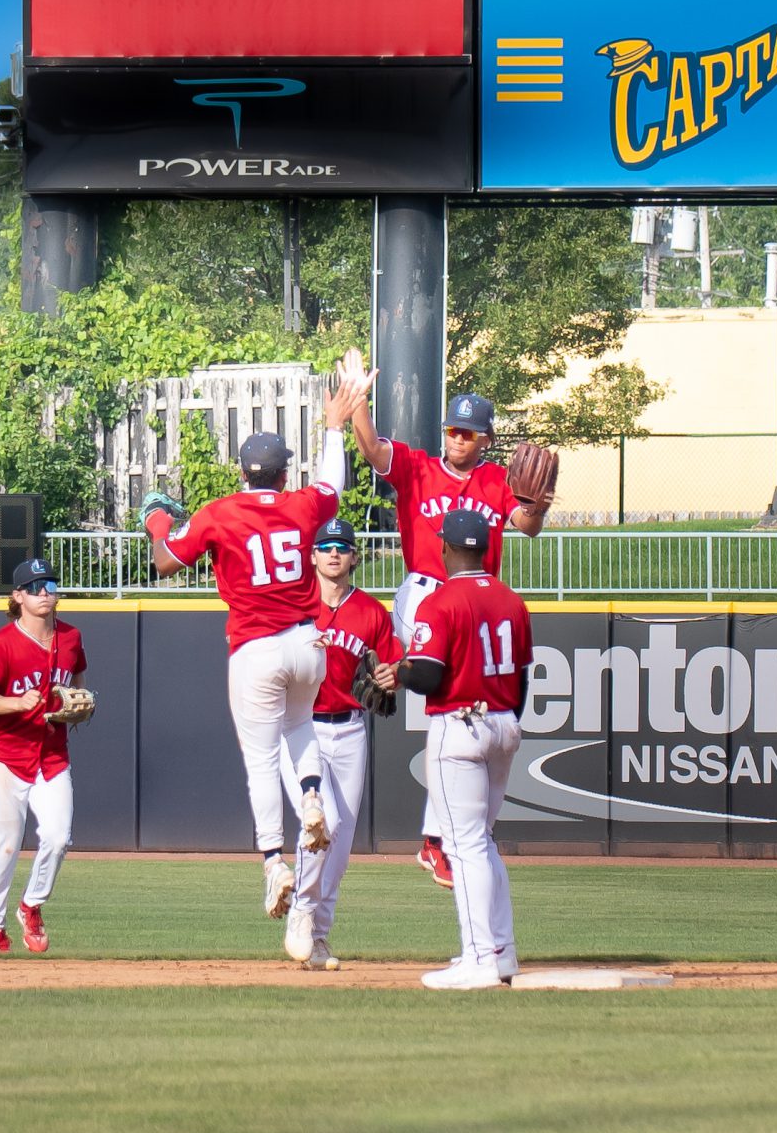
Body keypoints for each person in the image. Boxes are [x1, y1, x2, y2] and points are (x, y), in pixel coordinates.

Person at [143, 367, 366, 923]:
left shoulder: (221, 512)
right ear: (284, 470)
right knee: (299, 731)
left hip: (256, 648)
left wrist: (156, 524)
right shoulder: (301, 507)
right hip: (306, 643)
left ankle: (273, 860)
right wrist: (334, 427)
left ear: (242, 471)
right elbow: (334, 485)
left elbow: (167, 563)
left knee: (261, 761)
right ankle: (312, 797)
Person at [342, 359, 551, 890]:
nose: (456, 440)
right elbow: (371, 449)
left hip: (474, 599)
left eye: (467, 433)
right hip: (426, 594)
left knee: (462, 713)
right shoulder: (418, 468)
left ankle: (443, 835)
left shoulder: (497, 481)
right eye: (451, 430)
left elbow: (526, 528)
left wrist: (537, 503)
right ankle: (395, 667)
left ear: (485, 439)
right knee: (454, 705)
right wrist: (358, 400)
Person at [402, 507, 533, 989]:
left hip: (459, 727)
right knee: (483, 842)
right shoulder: (511, 601)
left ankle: (478, 958)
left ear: (449, 548)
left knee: (464, 847)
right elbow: (520, 684)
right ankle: (501, 952)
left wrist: (399, 672)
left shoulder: (439, 602)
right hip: (503, 723)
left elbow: (429, 676)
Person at [277, 517, 399, 972]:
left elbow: (391, 670)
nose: (333, 553)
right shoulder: (292, 605)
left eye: (341, 547)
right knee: (319, 823)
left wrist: (392, 676)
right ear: (312, 556)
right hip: (301, 727)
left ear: (353, 556)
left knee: (341, 846)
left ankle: (320, 937)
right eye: (325, 546)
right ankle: (301, 913)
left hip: (350, 729)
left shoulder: (370, 612)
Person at [0, 559, 90, 957]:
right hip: (5, 756)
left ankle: (31, 905)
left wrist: (80, 707)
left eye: (50, 583)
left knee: (58, 838)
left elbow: (78, 684)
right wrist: (15, 702)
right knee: (4, 845)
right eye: (35, 586)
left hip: (51, 756)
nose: (45, 592)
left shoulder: (71, 638)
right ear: (17, 596)